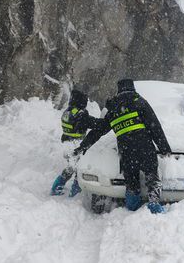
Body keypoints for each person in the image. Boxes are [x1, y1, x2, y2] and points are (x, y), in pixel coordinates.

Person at [74, 78, 172, 214]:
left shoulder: (113, 108)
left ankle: (132, 207)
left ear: (119, 90)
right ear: (132, 88)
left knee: (131, 181)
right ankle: (154, 205)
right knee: (152, 177)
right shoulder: (139, 101)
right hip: (144, 147)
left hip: (126, 152)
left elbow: (99, 131)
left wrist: (83, 146)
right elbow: (154, 126)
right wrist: (164, 148)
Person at [50, 89, 102, 197]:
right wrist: (105, 122)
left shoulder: (67, 111)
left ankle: (56, 188)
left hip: (67, 143)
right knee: (79, 170)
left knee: (70, 168)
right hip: (76, 145)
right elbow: (93, 123)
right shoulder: (81, 113)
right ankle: (75, 194)